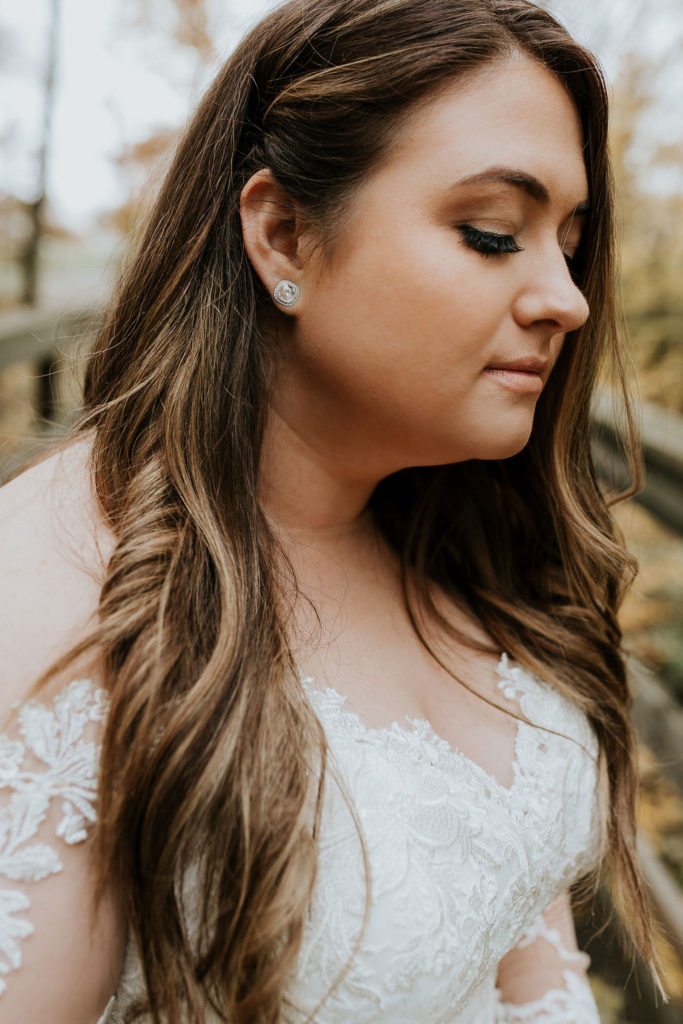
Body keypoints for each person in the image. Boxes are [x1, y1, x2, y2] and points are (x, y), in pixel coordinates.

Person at [0, 0, 671, 1020]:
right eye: (492, 233)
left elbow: (522, 952)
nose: (567, 300)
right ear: (283, 233)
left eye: (567, 245)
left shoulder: (459, 532)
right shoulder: (66, 607)